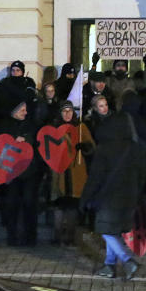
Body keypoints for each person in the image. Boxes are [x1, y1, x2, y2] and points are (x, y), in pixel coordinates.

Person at [79, 111, 146, 279]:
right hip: (129, 195)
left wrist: (85, 198)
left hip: (108, 197)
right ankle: (109, 266)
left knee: (105, 229)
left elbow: (95, 177)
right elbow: (143, 173)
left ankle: (128, 261)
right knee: (113, 230)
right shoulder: (137, 148)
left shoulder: (105, 149)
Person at [0, 96, 41, 246]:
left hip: (29, 170)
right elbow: (0, 143)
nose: (25, 112)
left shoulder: (31, 125)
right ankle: (12, 235)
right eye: (22, 110)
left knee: (29, 203)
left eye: (26, 109)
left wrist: (27, 140)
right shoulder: (4, 125)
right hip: (10, 172)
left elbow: (35, 141)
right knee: (11, 203)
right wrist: (14, 139)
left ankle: (30, 236)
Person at [47, 101, 94, 246]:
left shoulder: (80, 128)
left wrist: (84, 147)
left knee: (72, 205)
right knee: (59, 204)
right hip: (59, 171)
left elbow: (92, 147)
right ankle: (57, 236)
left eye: (69, 111)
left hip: (75, 171)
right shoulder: (54, 129)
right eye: (64, 111)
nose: (67, 114)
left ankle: (70, 237)